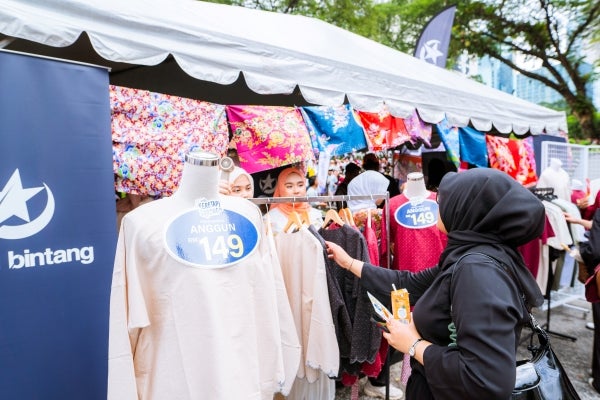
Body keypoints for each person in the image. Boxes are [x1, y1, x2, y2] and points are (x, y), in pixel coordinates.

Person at [325, 168, 546, 399]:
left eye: (446, 201)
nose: (438, 206)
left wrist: (414, 345)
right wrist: (350, 263)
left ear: (466, 210)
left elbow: (486, 379)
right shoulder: (469, 255)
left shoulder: (477, 272)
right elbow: (409, 283)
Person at [263, 166, 324, 233]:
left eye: (300, 185)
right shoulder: (271, 219)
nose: (296, 191)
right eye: (289, 186)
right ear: (281, 189)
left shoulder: (316, 215)